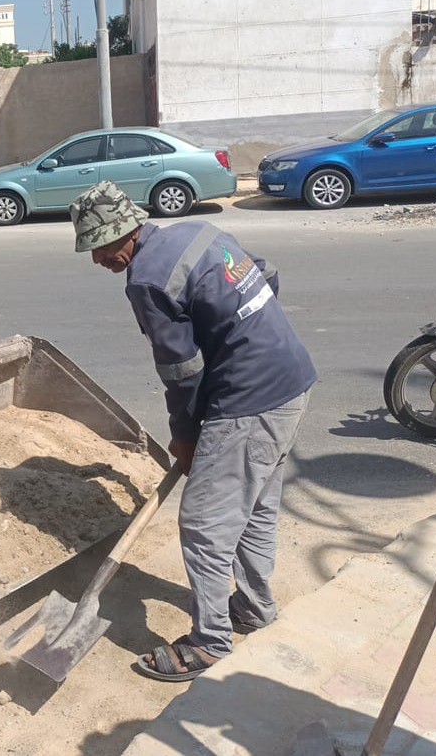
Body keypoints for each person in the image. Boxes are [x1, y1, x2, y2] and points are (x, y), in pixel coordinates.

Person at [69, 181, 316, 683]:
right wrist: (245, 339)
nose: (97, 260)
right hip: (292, 380)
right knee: (255, 509)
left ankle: (209, 645)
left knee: (204, 525)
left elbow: (180, 370)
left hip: (251, 402)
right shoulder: (200, 232)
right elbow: (266, 275)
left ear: (123, 234)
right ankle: (254, 609)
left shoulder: (147, 280)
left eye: (98, 246)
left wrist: (185, 434)